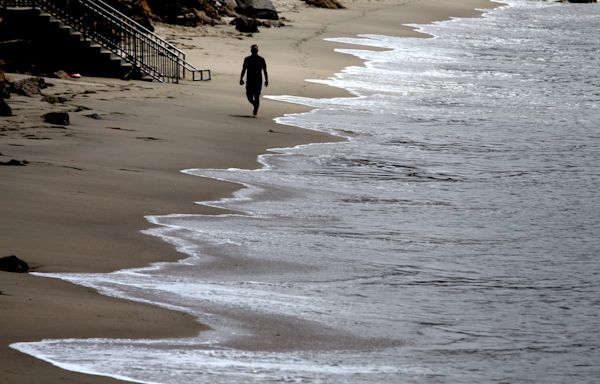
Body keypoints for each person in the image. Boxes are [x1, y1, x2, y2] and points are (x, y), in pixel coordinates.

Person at [240, 44, 268, 117]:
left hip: (258, 81)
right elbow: (244, 69)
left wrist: (266, 80)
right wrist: (241, 78)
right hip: (249, 80)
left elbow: (265, 70)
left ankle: (255, 110)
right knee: (249, 96)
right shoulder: (247, 59)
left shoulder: (261, 59)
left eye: (255, 50)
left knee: (257, 96)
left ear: (257, 51)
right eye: (253, 50)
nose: (254, 51)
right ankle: (255, 105)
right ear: (251, 51)